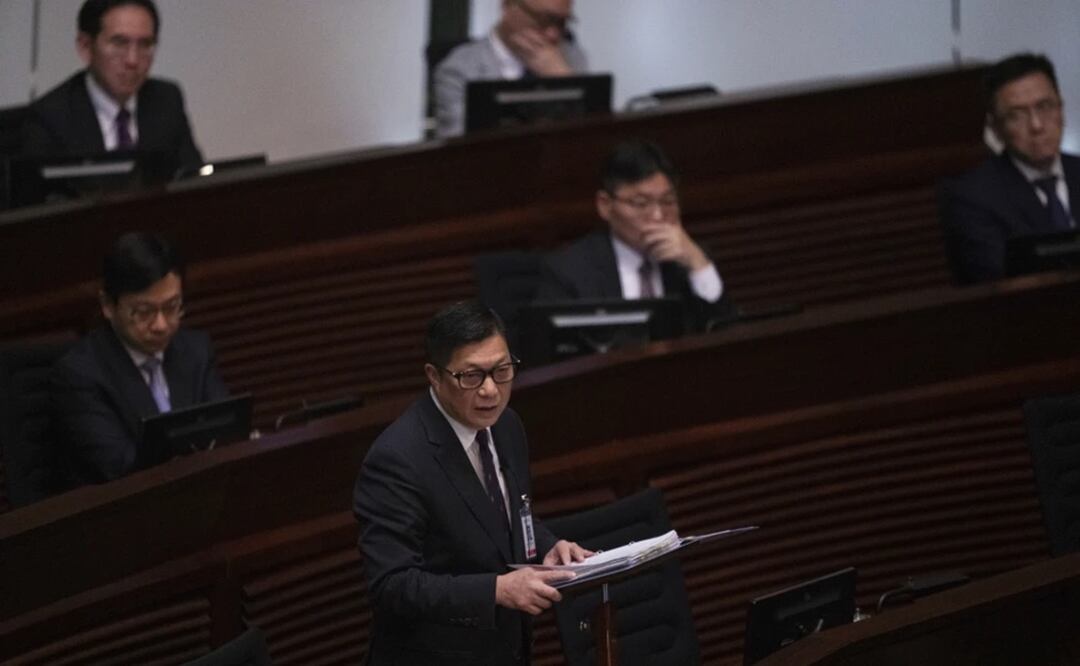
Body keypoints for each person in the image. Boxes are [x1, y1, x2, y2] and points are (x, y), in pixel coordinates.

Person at [353, 300, 590, 665]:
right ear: (434, 376)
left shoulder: (507, 425)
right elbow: (393, 585)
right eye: (471, 376)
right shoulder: (397, 459)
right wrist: (495, 590)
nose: (490, 390)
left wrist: (546, 546)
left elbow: (507, 518)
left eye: (502, 370)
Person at [51, 232, 228, 486]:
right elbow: (121, 469)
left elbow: (225, 434)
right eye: (143, 312)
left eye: (172, 307)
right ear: (108, 305)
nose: (161, 325)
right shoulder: (80, 374)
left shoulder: (195, 350)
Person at [536, 139, 738, 330]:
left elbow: (726, 335)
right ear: (605, 205)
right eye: (641, 203)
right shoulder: (569, 271)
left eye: (668, 201)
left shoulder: (689, 262)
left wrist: (698, 264)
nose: (658, 216)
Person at [941, 52, 1079, 284]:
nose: (1036, 125)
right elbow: (999, 278)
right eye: (1017, 115)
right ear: (995, 128)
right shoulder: (971, 197)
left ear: (1061, 109)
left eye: (1045, 107)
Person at [22, 0, 203, 176]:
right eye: (119, 43)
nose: (132, 60)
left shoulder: (166, 100)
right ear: (85, 46)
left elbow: (192, 180)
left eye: (145, 44)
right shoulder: (49, 117)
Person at [433, 0, 587, 138]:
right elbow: (456, 150)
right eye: (543, 20)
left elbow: (589, 141)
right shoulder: (459, 68)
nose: (553, 34)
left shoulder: (571, 57)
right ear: (507, 6)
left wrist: (562, 80)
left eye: (562, 22)